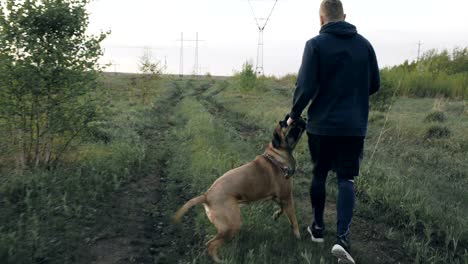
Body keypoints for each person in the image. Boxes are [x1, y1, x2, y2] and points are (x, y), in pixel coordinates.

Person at [286, 0, 380, 263]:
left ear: (321, 19)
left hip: (322, 126)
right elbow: (374, 84)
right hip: (353, 127)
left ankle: (317, 228)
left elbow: (305, 86)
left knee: (318, 173)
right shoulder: (365, 45)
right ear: (345, 16)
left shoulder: (315, 45)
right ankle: (343, 239)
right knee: (346, 179)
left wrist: (294, 115)